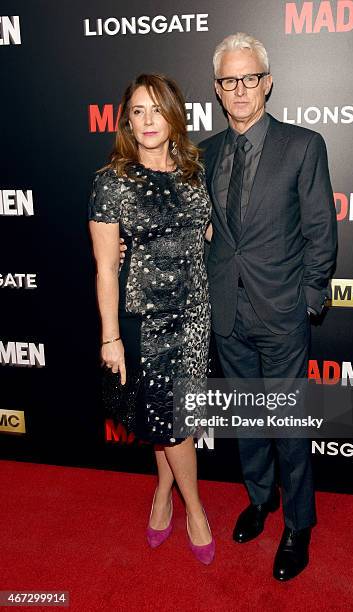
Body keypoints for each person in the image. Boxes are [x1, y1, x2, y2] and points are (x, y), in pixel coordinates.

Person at [199, 33, 337, 581]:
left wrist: (307, 298)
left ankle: (299, 523)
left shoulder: (303, 146)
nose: (239, 89)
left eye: (249, 77)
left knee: (287, 422)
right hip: (226, 310)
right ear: (217, 88)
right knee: (246, 418)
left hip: (281, 312)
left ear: (267, 82)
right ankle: (261, 500)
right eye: (229, 80)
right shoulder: (205, 153)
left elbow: (321, 228)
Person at [88, 73, 215, 565]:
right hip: (147, 320)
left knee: (169, 419)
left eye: (156, 110)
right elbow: (105, 267)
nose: (147, 121)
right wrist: (111, 337)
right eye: (137, 111)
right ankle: (196, 510)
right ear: (126, 119)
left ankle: (162, 495)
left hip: (196, 314)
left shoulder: (193, 171)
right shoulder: (110, 182)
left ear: (174, 115)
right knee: (173, 420)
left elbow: (204, 234)